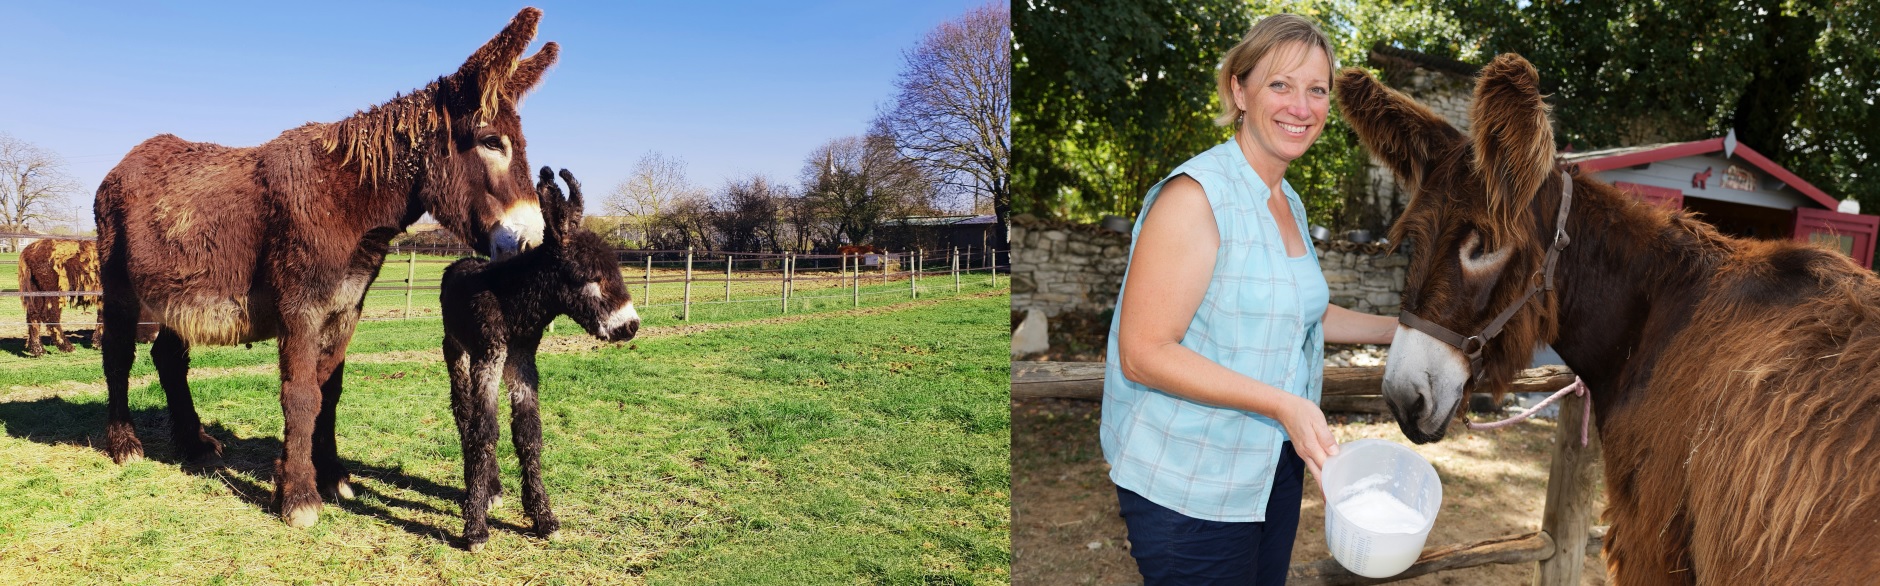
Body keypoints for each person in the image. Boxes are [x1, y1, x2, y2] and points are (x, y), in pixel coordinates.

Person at [1101, 14, 1399, 584]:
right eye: (1280, 85)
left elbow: (1303, 313)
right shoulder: (1195, 197)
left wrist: (1398, 329)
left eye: (1316, 90)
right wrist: (1283, 404)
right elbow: (1144, 351)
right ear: (1239, 90)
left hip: (1268, 473)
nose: (1301, 106)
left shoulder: (1287, 198)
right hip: (1190, 487)